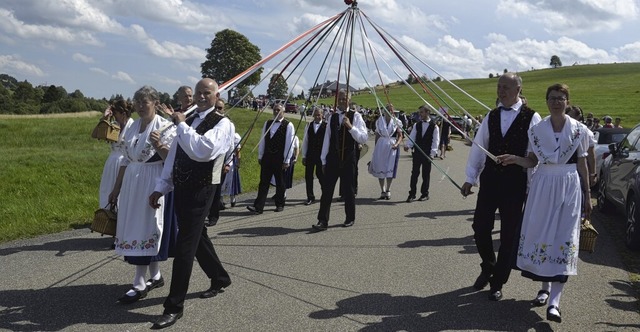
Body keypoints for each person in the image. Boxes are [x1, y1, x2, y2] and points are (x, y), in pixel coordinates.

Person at [497, 83, 591, 323]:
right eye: (552, 98)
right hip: (543, 184)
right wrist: (514, 159)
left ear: (567, 101)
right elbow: (531, 161)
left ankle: (554, 303)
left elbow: (582, 164)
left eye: (561, 98)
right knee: (544, 235)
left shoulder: (579, 130)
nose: (556, 102)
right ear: (547, 101)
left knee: (563, 237)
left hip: (569, 185)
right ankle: (544, 288)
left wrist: (588, 195)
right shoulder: (537, 130)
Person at [148, 78, 232, 329]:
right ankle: (219, 277)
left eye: (207, 93)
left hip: (203, 190)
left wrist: (182, 126)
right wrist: (160, 187)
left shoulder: (223, 123)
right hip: (182, 187)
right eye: (199, 92)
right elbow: (175, 156)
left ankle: (174, 306)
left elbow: (202, 151)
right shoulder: (189, 120)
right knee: (197, 237)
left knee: (184, 246)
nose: (202, 96)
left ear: (216, 96)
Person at [460, 72, 541, 301]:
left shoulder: (532, 117)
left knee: (508, 234)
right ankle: (488, 265)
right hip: (490, 181)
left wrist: (531, 184)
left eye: (506, 86)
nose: (501, 90)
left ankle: (498, 281)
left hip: (515, 183)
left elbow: (536, 154)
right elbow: (478, 147)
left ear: (518, 90)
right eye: (499, 86)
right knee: (480, 227)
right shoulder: (491, 116)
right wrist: (470, 177)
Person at [109, 86, 177, 305]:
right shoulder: (132, 127)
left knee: (147, 228)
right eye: (137, 102)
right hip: (132, 183)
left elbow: (172, 160)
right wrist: (116, 188)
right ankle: (155, 276)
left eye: (144, 102)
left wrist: (159, 145)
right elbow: (126, 159)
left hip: (153, 180)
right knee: (135, 226)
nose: (139, 106)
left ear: (155, 103)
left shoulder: (166, 127)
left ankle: (139, 282)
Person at [313, 89, 368, 230]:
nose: (342, 101)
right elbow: (327, 139)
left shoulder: (356, 116)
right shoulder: (332, 117)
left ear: (349, 100)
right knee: (327, 190)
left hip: (349, 157)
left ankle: (350, 217)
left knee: (348, 189)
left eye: (344, 99)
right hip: (333, 158)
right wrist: (323, 159)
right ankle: (322, 220)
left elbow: (363, 137)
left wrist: (350, 127)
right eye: (340, 99)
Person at [246, 103, 295, 214]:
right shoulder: (267, 123)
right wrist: (260, 155)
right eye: (274, 110)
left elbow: (289, 144)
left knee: (280, 182)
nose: (276, 112)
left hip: (279, 158)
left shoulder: (288, 125)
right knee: (263, 182)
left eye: (278, 110)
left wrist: (286, 160)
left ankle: (280, 203)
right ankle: (258, 207)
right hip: (267, 157)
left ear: (283, 111)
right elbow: (262, 140)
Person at [95, 98, 134, 209]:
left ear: (123, 113)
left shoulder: (132, 126)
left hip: (125, 162)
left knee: (123, 191)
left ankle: (120, 216)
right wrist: (105, 118)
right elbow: (95, 134)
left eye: (116, 113)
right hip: (112, 162)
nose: (114, 115)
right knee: (107, 189)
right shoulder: (113, 125)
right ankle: (107, 214)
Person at [206, 99, 235, 226]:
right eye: (215, 108)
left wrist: (228, 163)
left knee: (215, 189)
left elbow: (230, 145)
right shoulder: (207, 121)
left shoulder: (227, 124)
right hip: (206, 159)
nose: (217, 111)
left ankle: (213, 216)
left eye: (220, 108)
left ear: (224, 110)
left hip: (220, 160)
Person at [404, 105, 439, 202]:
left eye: (422, 112)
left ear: (427, 112)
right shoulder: (417, 125)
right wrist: (408, 145)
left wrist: (432, 153)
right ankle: (412, 194)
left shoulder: (434, 126)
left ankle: (424, 194)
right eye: (419, 112)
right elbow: (412, 136)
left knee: (425, 174)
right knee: (414, 173)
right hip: (417, 153)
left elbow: (435, 141)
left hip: (427, 154)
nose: (420, 114)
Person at [368, 103, 403, 200]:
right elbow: (377, 135)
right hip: (381, 145)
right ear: (384, 111)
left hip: (392, 145)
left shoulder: (397, 122)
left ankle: (388, 189)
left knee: (389, 167)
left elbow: (400, 135)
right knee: (380, 167)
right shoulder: (379, 121)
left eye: (391, 110)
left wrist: (396, 144)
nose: (390, 112)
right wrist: (375, 150)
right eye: (388, 110)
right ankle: (382, 190)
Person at [565, 105, 597, 187]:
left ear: (578, 117)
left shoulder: (585, 131)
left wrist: (593, 173)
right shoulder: (561, 131)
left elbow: (591, 155)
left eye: (572, 116)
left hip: (579, 171)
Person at [302, 107, 326, 205]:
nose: (317, 117)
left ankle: (325, 194)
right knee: (308, 176)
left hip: (321, 156)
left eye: (318, 115)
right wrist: (304, 155)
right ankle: (310, 196)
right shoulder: (308, 126)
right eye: (315, 115)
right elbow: (305, 141)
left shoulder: (326, 126)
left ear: (322, 115)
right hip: (310, 155)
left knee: (321, 175)